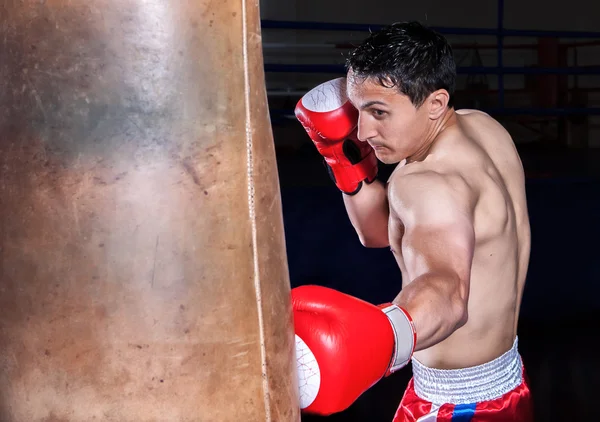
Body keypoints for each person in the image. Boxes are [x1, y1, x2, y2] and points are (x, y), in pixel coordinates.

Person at [292, 21, 534, 421]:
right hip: (507, 382)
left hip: (455, 408)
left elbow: (449, 290)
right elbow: (381, 234)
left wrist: (387, 336)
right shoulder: (484, 128)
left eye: (378, 112)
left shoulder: (423, 183)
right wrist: (346, 165)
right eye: (358, 111)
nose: (363, 130)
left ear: (435, 103)